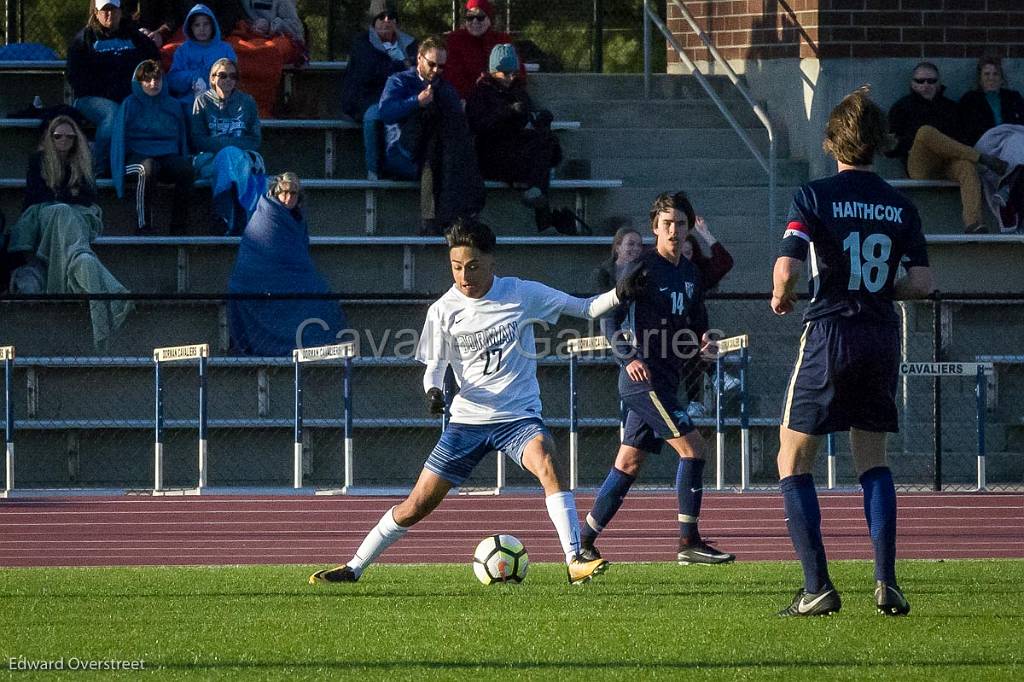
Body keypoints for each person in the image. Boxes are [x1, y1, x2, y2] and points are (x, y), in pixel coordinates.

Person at [308, 217, 646, 586]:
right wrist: (433, 392)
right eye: (456, 267)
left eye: (472, 266)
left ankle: (574, 559)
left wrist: (620, 294)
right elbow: (434, 368)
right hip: (467, 421)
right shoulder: (442, 310)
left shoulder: (520, 293)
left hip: (518, 417)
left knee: (547, 459)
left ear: (491, 263)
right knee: (417, 504)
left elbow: (583, 308)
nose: (464, 275)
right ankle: (354, 566)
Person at [771, 87, 934, 617]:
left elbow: (789, 267)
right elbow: (923, 283)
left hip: (831, 331)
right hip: (883, 335)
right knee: (873, 460)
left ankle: (817, 586)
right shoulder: (901, 204)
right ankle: (886, 581)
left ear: (830, 141)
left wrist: (781, 295)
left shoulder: (814, 194)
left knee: (793, 458)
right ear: (880, 142)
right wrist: (880, 286)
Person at [579, 192, 735, 567]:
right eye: (667, 224)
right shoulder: (642, 266)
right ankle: (688, 541)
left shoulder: (690, 272)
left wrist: (705, 340)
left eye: (681, 224)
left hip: (666, 381)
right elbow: (609, 318)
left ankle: (582, 541)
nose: (674, 231)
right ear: (655, 228)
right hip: (642, 381)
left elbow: (698, 320)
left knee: (628, 463)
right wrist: (627, 356)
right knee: (694, 449)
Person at [6, 116, 132, 348]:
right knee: (62, 211)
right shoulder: (38, 161)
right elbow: (36, 196)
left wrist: (61, 197)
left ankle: (78, 257)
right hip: (43, 215)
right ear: (50, 138)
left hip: (76, 217)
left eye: (69, 137)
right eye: (58, 136)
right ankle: (116, 297)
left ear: (76, 140)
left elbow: (88, 198)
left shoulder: (82, 162)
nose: (64, 140)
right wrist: (64, 198)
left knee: (81, 255)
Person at [228, 172, 347, 355]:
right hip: (259, 281)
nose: (288, 198)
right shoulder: (267, 218)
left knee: (323, 298)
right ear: (275, 193)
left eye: (293, 193)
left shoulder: (297, 218)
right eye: (284, 193)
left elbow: (298, 254)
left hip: (292, 276)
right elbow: (265, 251)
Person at [467, 44, 580, 235]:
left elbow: (529, 118)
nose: (511, 77)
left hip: (517, 150)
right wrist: (507, 112)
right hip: (492, 153)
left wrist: (539, 119)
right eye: (506, 73)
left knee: (545, 142)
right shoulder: (481, 93)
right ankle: (543, 217)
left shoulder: (518, 91)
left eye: (513, 73)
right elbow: (479, 126)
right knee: (539, 162)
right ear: (494, 71)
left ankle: (537, 195)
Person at [379, 36, 485, 234]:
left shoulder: (445, 88)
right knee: (435, 155)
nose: (436, 70)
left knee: (455, 151)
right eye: (432, 64)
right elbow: (386, 112)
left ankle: (457, 216)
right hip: (403, 150)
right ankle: (433, 219)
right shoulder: (400, 81)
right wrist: (416, 102)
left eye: (442, 67)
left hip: (437, 148)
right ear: (419, 58)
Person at [887, 62, 1007, 234]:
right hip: (920, 165)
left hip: (949, 163)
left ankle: (973, 223)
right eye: (920, 81)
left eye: (931, 81)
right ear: (912, 84)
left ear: (938, 83)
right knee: (926, 132)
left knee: (966, 167)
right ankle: (981, 158)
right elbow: (890, 148)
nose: (926, 85)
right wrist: (912, 142)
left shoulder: (950, 107)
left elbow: (962, 138)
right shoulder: (902, 107)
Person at [67, 0, 161, 175]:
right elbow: (76, 78)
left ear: (120, 11)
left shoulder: (136, 37)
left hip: (131, 98)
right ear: (96, 12)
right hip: (90, 99)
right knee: (113, 114)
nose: (109, 14)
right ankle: (99, 169)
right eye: (105, 10)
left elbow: (153, 63)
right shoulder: (84, 40)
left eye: (113, 9)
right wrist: (111, 92)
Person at [110, 59, 195, 234]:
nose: (153, 84)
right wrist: (116, 173)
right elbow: (118, 141)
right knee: (147, 168)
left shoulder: (173, 105)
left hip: (166, 154)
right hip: (137, 156)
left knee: (186, 169)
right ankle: (143, 225)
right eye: (147, 80)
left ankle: (178, 227)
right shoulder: (129, 104)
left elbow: (182, 140)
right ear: (139, 82)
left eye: (157, 79)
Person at [340, 0, 417, 180]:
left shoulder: (410, 44)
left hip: (403, 96)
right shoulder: (362, 43)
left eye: (391, 17)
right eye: (381, 17)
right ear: (373, 21)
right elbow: (369, 72)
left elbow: (416, 70)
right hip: (369, 98)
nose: (386, 21)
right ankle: (373, 171)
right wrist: (401, 65)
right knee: (374, 117)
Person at [191, 57, 264, 234]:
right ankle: (242, 214)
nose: (228, 80)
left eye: (233, 76)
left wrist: (228, 147)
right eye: (222, 76)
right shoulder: (202, 102)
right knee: (230, 158)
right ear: (212, 78)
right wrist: (229, 147)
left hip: (242, 157)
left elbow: (255, 140)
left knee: (233, 158)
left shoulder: (247, 102)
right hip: (210, 160)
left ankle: (222, 214)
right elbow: (198, 139)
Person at [959, 57, 1024, 232]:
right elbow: (966, 132)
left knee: (1016, 140)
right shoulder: (970, 100)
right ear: (979, 78)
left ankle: (1008, 189)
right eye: (986, 74)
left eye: (996, 74)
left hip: (1011, 148)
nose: (991, 77)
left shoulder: (1014, 97)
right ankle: (1009, 185)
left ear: (1002, 78)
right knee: (1016, 140)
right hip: (987, 149)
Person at [679, 216, 736, 418]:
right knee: (687, 339)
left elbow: (725, 262)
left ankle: (696, 399)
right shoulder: (663, 270)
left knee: (691, 340)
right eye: (680, 252)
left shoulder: (697, 273)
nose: (684, 257)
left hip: (694, 330)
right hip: (667, 330)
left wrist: (705, 233)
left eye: (689, 252)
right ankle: (714, 374)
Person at [444, 0, 524, 102]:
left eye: (480, 17)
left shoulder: (501, 40)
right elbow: (452, 75)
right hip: (467, 97)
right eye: (470, 17)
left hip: (499, 95)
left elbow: (518, 71)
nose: (475, 22)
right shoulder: (456, 40)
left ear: (489, 19)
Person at [166, 4, 238, 106]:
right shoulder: (183, 50)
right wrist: (193, 77)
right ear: (190, 27)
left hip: (219, 104)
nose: (202, 29)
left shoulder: (225, 49)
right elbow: (172, 80)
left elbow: (233, 77)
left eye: (206, 24)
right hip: (188, 105)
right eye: (197, 25)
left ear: (213, 25)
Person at [592, 224, 643, 292]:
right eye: (630, 244)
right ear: (617, 247)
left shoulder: (644, 270)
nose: (636, 248)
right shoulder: (602, 272)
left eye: (639, 245)